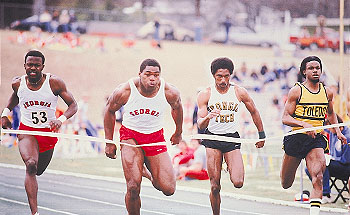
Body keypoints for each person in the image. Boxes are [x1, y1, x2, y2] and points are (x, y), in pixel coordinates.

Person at [0, 50, 78, 215]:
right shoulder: (17, 83)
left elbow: (73, 105)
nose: (33, 68)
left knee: (39, 170)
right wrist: (5, 113)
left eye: (37, 65)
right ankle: (35, 212)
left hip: (48, 133)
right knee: (31, 165)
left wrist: (60, 120)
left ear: (43, 66)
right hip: (26, 130)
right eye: (30, 65)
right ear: (25, 66)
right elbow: (16, 96)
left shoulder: (54, 83)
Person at [104, 58, 183, 214]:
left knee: (168, 189)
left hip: (155, 138)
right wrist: (109, 141)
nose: (152, 78)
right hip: (130, 136)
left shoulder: (169, 91)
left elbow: (177, 108)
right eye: (148, 74)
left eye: (156, 75)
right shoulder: (125, 90)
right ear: (140, 74)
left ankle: (144, 171)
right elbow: (109, 110)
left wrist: (178, 132)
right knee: (133, 186)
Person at [196, 57, 265, 215]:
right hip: (212, 139)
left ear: (231, 75)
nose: (223, 80)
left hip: (231, 138)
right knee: (215, 186)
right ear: (214, 76)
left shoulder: (239, 92)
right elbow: (200, 124)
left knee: (238, 182)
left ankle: (227, 163)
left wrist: (262, 134)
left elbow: (254, 111)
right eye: (219, 76)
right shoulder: (205, 94)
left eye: (226, 76)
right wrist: (208, 117)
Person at [280, 56, 347, 215]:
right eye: (311, 68)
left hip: (316, 139)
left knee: (317, 177)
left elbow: (331, 114)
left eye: (317, 67)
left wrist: (338, 132)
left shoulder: (327, 92)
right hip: (297, 138)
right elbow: (285, 118)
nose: (315, 70)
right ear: (304, 71)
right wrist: (304, 124)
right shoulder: (297, 91)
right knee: (286, 183)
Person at [305, 115, 350, 204]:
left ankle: (326, 194)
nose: (328, 131)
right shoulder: (333, 133)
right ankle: (318, 189)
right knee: (310, 168)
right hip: (335, 163)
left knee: (324, 165)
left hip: (346, 167)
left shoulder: (347, 137)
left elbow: (346, 160)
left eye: (331, 128)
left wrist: (332, 159)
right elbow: (323, 128)